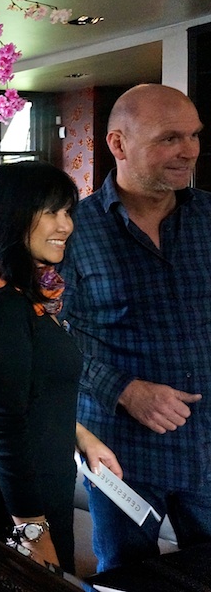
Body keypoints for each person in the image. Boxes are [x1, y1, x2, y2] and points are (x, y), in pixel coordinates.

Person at [0, 160, 121, 574]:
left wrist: (82, 437)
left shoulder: (26, 294)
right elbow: (4, 426)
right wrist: (33, 531)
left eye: (68, 212)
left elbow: (33, 392)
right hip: (12, 504)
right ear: (11, 216)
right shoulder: (0, 307)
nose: (66, 225)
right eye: (52, 212)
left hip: (39, 490)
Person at [60, 83, 211, 572]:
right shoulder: (70, 231)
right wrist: (124, 390)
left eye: (194, 135)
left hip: (207, 445)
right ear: (118, 144)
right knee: (127, 577)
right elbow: (49, 336)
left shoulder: (209, 218)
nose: (189, 150)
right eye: (169, 138)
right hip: (121, 452)